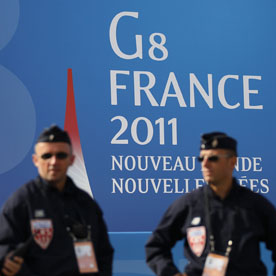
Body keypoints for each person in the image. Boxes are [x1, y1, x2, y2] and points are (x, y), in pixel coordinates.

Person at [145, 132, 276, 276]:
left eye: (213, 158)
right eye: (201, 159)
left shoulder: (255, 205)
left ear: (232, 162)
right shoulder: (189, 204)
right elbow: (155, 246)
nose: (205, 164)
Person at [0, 125, 114, 276]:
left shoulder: (86, 204)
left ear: (72, 160)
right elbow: (4, 251)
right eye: (47, 156)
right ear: (35, 160)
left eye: (61, 155)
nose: (54, 161)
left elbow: (103, 253)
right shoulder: (20, 202)